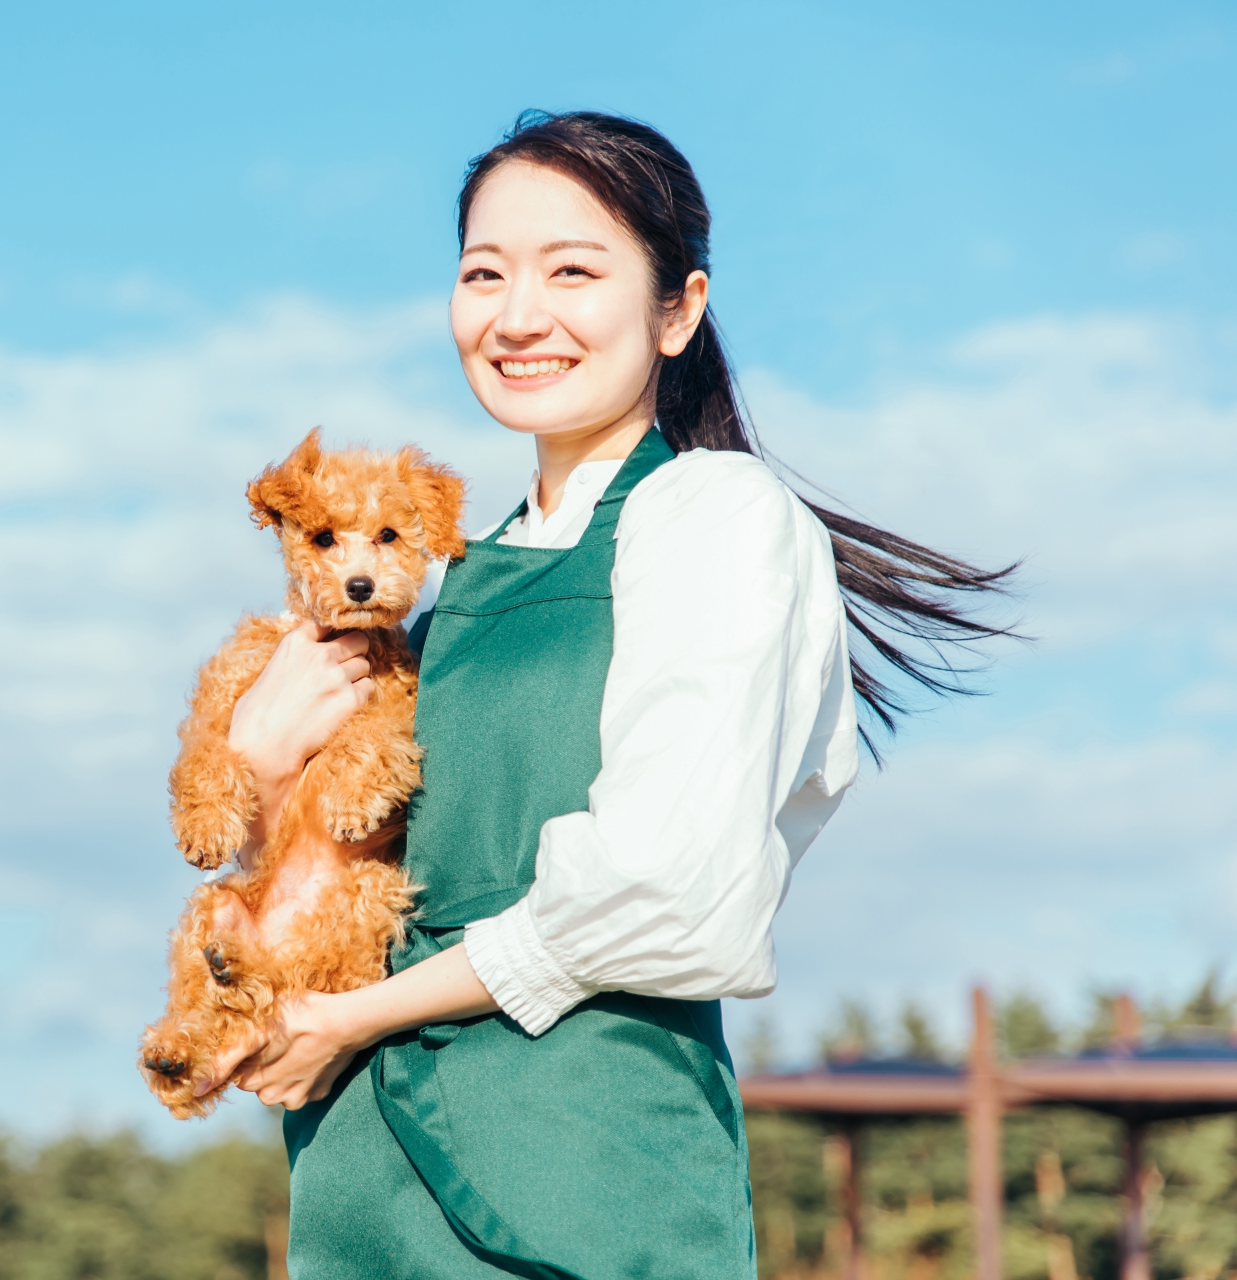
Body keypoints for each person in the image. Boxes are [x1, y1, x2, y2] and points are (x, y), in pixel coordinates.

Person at [201, 112, 1012, 1279]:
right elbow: (337, 880)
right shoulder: (439, 602)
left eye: (573, 270)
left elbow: (669, 889)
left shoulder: (718, 518)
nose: (518, 314)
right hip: (362, 1195)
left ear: (677, 308)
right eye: (485, 273)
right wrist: (271, 771)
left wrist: (359, 1016)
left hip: (581, 1187)